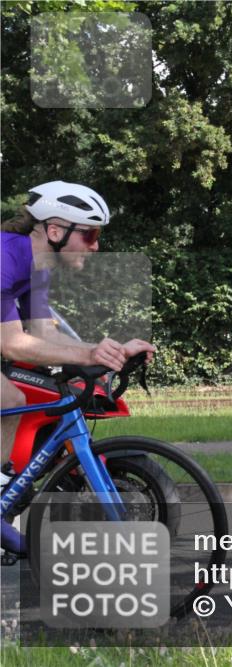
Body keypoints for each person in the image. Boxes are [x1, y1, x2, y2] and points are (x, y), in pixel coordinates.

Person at [1, 181, 157, 474]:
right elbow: (11, 344)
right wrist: (88, 356)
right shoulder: (5, 257)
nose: (96, 246)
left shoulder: (37, 266)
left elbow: (44, 334)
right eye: (89, 234)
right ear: (55, 231)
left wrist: (110, 351)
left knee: (13, 400)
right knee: (10, 398)